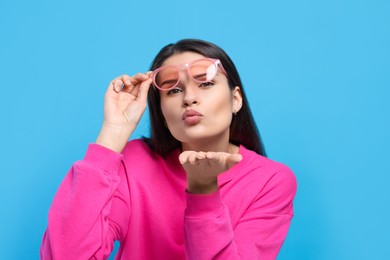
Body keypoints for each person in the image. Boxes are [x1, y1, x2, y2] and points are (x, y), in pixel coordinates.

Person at [40, 39, 297, 259]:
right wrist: (111, 135)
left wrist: (203, 192)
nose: (189, 98)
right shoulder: (135, 162)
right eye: (173, 90)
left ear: (236, 99)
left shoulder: (270, 181)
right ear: (162, 113)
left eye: (205, 83)